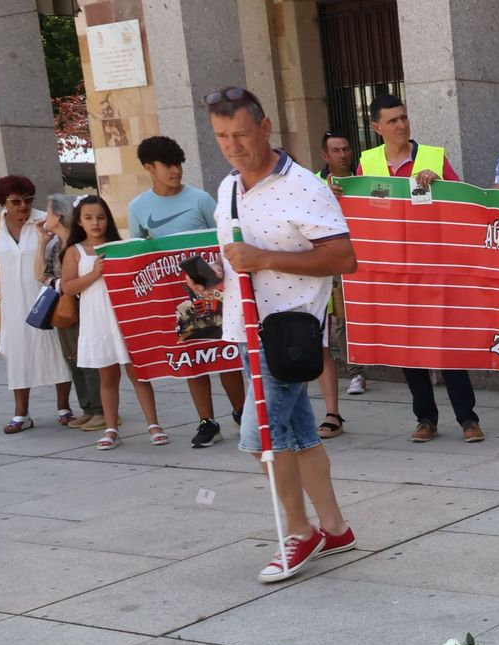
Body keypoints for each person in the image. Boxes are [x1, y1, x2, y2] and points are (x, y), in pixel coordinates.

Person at [206, 86, 357, 581]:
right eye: (223, 136)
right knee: (298, 434)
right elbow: (237, 254)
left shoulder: (305, 186)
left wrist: (266, 258)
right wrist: (214, 276)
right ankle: (333, 526)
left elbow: (343, 258)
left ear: (266, 125)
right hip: (245, 327)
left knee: (261, 438)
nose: (233, 145)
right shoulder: (228, 186)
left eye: (242, 134)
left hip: (287, 334)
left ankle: (299, 532)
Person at [356, 93, 481, 444]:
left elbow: (462, 203)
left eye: (404, 117)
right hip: (394, 270)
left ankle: (467, 418)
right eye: (393, 120)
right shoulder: (368, 164)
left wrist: (440, 186)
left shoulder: (432, 158)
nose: (401, 125)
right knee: (407, 344)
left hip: (435, 267)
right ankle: (425, 417)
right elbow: (367, 214)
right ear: (376, 127)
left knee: (447, 342)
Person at [128, 135, 246, 448]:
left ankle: (242, 412)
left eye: (178, 163)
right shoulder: (138, 208)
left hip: (214, 291)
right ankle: (207, 421)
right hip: (172, 296)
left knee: (225, 353)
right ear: (149, 168)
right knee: (191, 354)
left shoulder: (201, 200)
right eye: (167, 164)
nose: (175, 170)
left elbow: (222, 242)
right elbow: (137, 255)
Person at [62, 195, 164, 449]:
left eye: (100, 217)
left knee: (138, 373)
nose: (96, 223)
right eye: (89, 218)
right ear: (79, 221)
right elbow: (68, 287)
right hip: (96, 319)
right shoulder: (74, 252)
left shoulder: (120, 246)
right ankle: (110, 428)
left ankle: (154, 424)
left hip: (125, 317)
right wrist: (95, 273)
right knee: (107, 377)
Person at [0, 175, 71, 432]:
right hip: (13, 300)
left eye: (27, 200)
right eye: (15, 202)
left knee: (56, 351)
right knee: (18, 355)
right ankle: (21, 414)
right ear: (3, 202)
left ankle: (64, 407)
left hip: (45, 296)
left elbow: (63, 251)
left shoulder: (44, 220)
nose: (23, 207)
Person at [38, 192, 104, 428]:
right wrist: (41, 241)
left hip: (83, 304)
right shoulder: (55, 245)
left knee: (89, 357)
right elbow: (40, 275)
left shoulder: (78, 246)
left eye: (47, 211)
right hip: (63, 306)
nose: (45, 216)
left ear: (58, 215)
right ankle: (87, 407)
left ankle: (101, 409)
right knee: (73, 359)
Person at [315, 129, 360, 434]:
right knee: (341, 320)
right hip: (331, 264)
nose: (343, 154)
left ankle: (362, 367)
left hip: (364, 258)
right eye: (337, 150)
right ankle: (355, 371)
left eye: (346, 148)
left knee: (362, 317)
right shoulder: (314, 184)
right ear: (325, 156)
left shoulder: (364, 177)